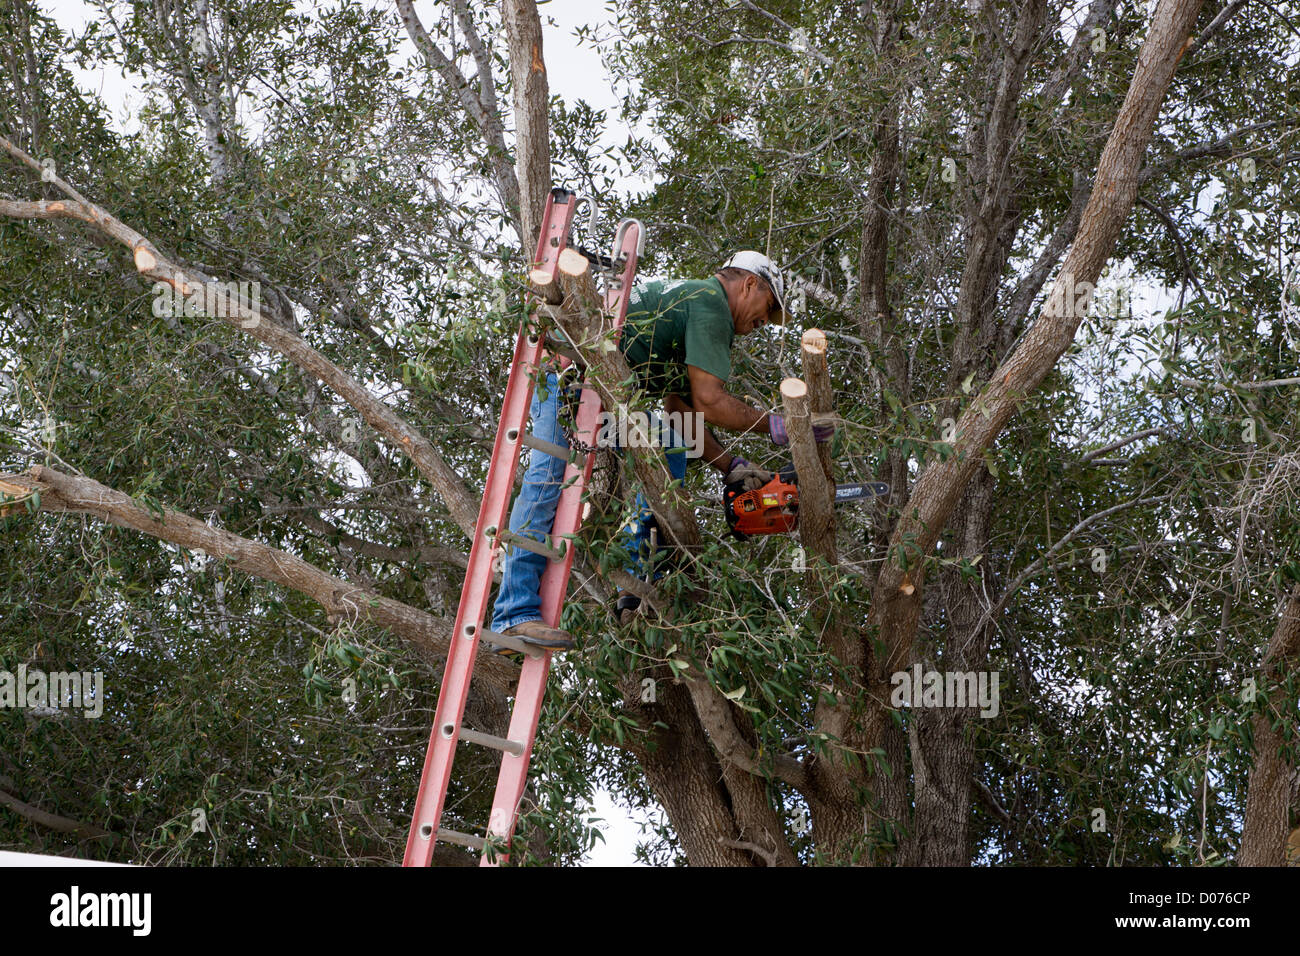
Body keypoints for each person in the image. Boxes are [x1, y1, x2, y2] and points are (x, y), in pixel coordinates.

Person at [487, 251, 834, 653]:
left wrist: (730, 466)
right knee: (546, 481)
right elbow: (709, 400)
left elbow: (680, 412)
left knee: (668, 444)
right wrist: (779, 424)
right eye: (767, 308)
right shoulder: (711, 305)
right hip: (569, 378)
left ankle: (635, 581)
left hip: (600, 393)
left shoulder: (689, 304)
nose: (762, 324)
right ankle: (513, 615)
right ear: (749, 284)